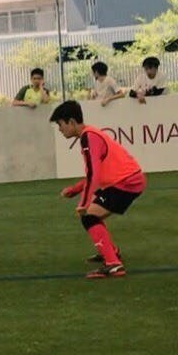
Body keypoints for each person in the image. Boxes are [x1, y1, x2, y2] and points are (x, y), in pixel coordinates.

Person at [50, 100, 146, 279]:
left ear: (72, 122)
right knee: (92, 215)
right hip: (127, 181)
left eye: (60, 124)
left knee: (89, 216)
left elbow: (93, 173)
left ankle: (113, 264)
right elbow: (95, 172)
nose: (60, 129)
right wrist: (75, 190)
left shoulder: (89, 137)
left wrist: (84, 202)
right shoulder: (89, 135)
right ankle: (111, 252)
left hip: (126, 182)